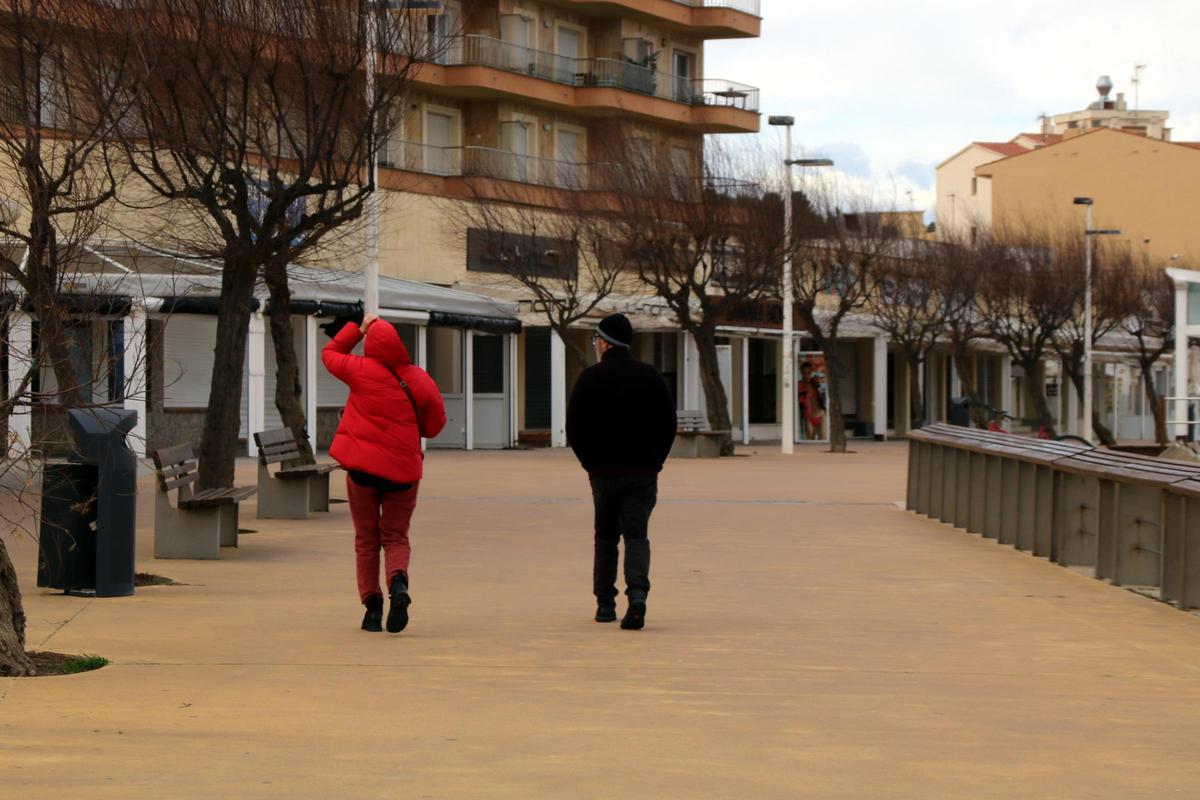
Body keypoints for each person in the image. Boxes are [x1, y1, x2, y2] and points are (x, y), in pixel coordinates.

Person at [323, 313, 446, 633]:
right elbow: (434, 425)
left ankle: (372, 609)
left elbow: (330, 355)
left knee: (366, 539)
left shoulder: (360, 370)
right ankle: (398, 583)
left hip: (362, 472)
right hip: (403, 474)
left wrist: (357, 329)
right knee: (395, 536)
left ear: (370, 344)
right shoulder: (418, 378)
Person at [566, 313, 677, 630]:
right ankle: (638, 596)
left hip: (603, 473)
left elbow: (574, 427)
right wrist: (655, 461)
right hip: (643, 472)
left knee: (605, 536)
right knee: (637, 535)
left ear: (603, 342)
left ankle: (605, 603)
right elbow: (668, 424)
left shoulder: (590, 378)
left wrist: (590, 462)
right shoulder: (651, 376)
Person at [796, 361, 826, 440]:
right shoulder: (799, 385)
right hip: (808, 416)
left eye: (808, 373)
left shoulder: (815, 382)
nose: (807, 375)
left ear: (811, 372)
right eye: (804, 373)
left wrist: (818, 382)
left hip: (820, 414)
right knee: (810, 441)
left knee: (823, 440)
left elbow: (823, 393)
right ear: (801, 373)